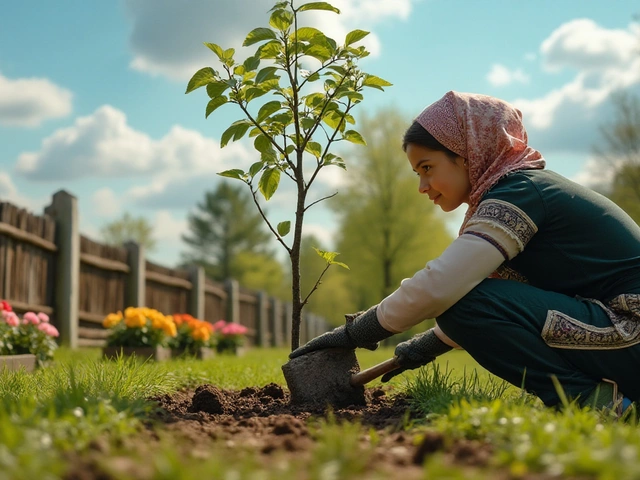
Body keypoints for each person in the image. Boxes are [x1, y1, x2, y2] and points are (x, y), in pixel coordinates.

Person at [290, 91, 640, 414]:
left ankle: (597, 404)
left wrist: (357, 332)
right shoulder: (524, 189)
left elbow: (442, 287)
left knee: (458, 303)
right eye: (417, 173)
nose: (422, 187)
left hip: (631, 331)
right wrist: (425, 346)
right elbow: (490, 304)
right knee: (461, 305)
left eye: (427, 168)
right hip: (621, 335)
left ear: (468, 154)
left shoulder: (520, 194)